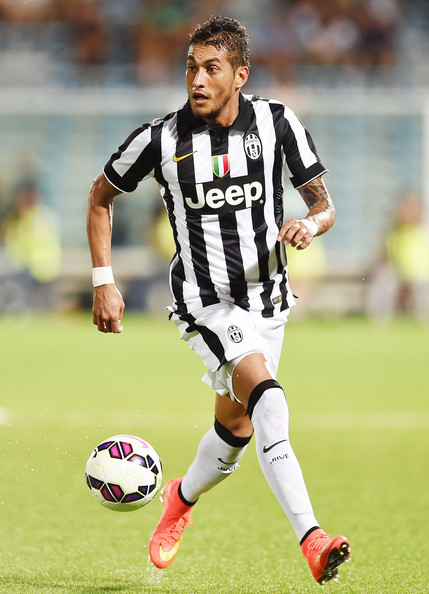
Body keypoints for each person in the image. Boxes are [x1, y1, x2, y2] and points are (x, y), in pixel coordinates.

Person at [87, 15, 351, 585]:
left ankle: (179, 499)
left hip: (269, 301)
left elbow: (325, 204)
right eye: (191, 68)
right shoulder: (160, 139)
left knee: (236, 432)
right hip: (207, 303)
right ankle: (312, 538)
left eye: (211, 69)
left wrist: (311, 224)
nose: (198, 80)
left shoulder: (277, 123)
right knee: (269, 403)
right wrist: (103, 280)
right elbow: (100, 196)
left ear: (240, 75)